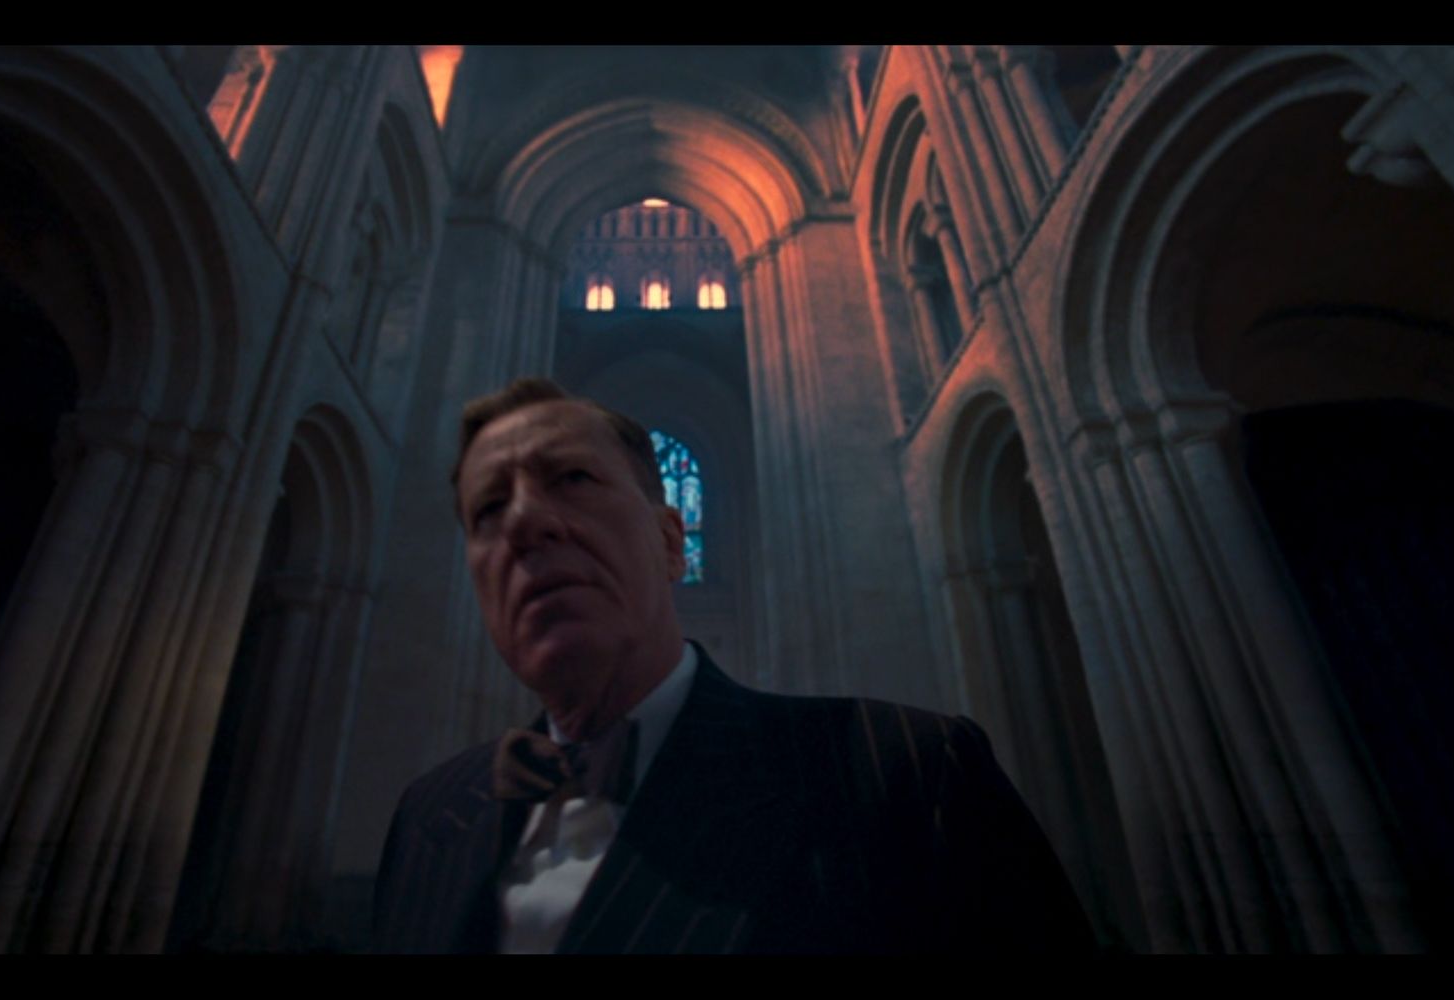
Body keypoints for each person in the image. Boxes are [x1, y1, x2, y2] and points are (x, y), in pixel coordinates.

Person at [372, 377, 1095, 954]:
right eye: (489, 509)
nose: (525, 523)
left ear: (669, 541)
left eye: (571, 481)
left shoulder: (904, 776)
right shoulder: (430, 816)